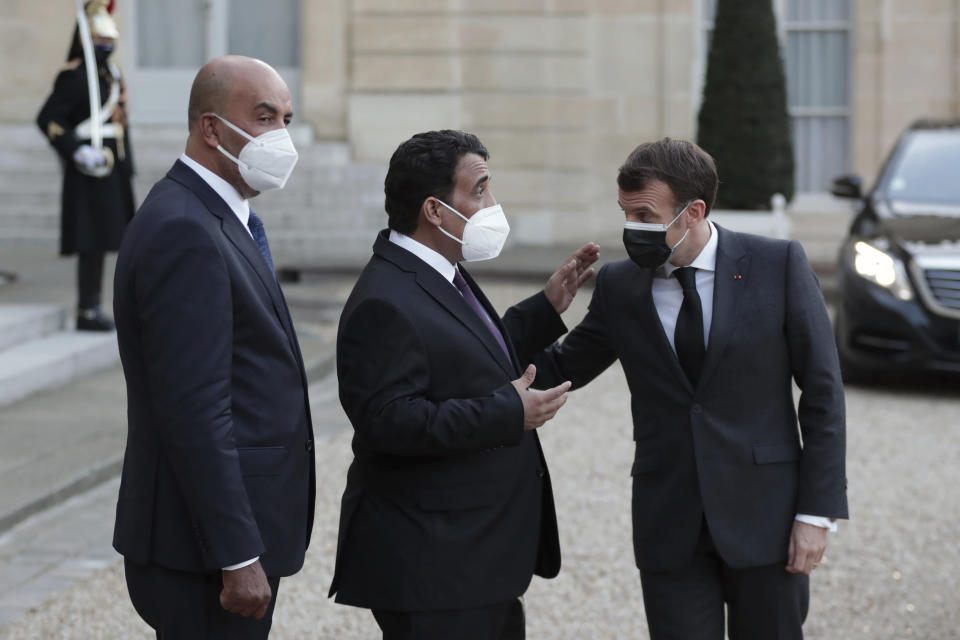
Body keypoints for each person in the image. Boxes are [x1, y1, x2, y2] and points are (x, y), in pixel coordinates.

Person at [530, 138, 848, 639]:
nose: (632, 227)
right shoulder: (620, 286)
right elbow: (558, 368)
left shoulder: (778, 265)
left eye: (645, 213)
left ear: (694, 211)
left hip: (766, 518)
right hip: (669, 520)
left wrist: (817, 513)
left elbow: (824, 394)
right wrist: (540, 316)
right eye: (625, 213)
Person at [329, 129, 599, 639]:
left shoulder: (439, 269)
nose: (492, 205)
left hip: (475, 560)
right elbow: (388, 421)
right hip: (434, 565)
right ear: (434, 210)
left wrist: (544, 310)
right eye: (479, 191)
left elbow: (467, 353)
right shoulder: (384, 300)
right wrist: (508, 413)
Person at [112, 55, 314, 639]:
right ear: (210, 128)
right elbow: (195, 408)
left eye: (286, 118)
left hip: (216, 539)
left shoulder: (225, 216)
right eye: (263, 117)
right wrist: (237, 553)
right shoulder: (184, 229)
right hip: (201, 552)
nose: (280, 136)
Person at [36, 0, 135, 331]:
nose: (106, 47)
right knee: (90, 240)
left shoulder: (113, 76)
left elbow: (121, 124)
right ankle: (87, 308)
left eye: (110, 41)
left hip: (112, 167)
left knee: (114, 238)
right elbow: (48, 118)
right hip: (87, 169)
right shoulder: (74, 77)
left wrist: (126, 166)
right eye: (99, 41)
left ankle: (105, 304)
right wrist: (75, 150)